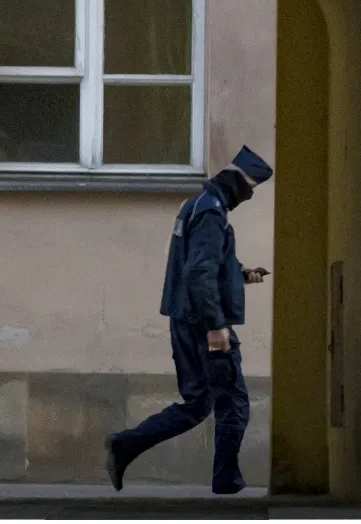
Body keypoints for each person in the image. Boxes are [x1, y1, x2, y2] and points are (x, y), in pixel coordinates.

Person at [105, 146, 273, 495]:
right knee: (234, 404)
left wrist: (241, 273)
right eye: (251, 188)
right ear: (237, 181)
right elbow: (198, 271)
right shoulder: (213, 213)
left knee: (197, 403)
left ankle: (125, 445)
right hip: (203, 323)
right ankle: (226, 479)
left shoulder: (194, 205)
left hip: (184, 318)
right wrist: (216, 327)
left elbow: (202, 263)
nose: (250, 195)